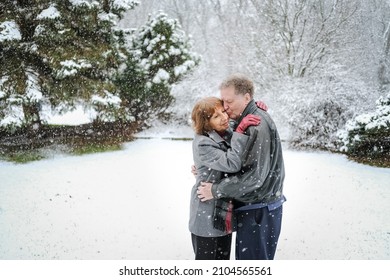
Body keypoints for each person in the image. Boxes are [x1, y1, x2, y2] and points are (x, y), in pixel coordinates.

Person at [197, 73, 286, 260]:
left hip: (259, 209)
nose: (225, 107)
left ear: (247, 97)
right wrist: (208, 166)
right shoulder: (247, 118)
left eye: (229, 102)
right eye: (223, 102)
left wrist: (217, 189)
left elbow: (254, 177)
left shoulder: (256, 124)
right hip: (257, 207)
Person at [189, 96, 261, 260]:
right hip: (207, 209)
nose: (224, 117)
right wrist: (241, 131)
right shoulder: (203, 143)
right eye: (216, 116)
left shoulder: (225, 131)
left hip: (223, 210)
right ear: (206, 124)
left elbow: (239, 121)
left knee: (222, 262)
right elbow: (232, 163)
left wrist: (255, 106)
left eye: (223, 111)